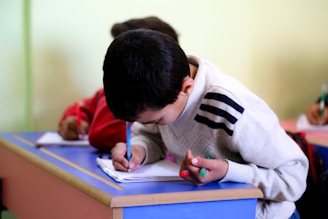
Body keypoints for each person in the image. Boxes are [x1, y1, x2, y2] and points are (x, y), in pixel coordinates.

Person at [102, 29, 309, 219]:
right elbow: (152, 136)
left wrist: (227, 172)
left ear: (186, 88)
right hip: (210, 209)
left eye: (155, 121)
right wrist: (139, 150)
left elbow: (294, 178)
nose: (146, 126)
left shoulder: (234, 109)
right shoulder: (162, 89)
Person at [58, 16, 179, 152]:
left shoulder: (167, 103)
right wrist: (74, 119)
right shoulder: (107, 94)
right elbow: (84, 106)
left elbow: (102, 135)